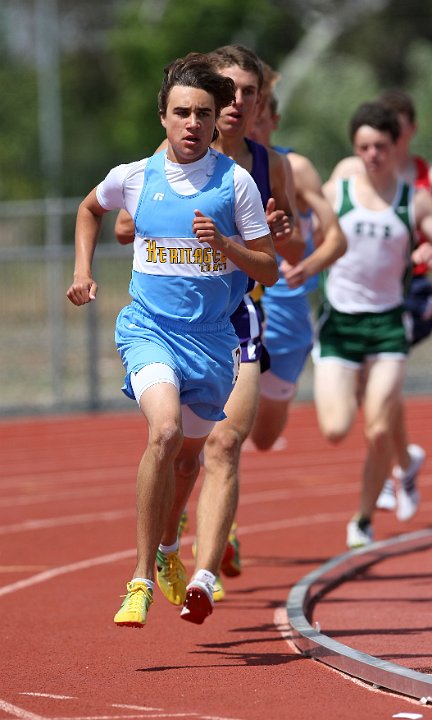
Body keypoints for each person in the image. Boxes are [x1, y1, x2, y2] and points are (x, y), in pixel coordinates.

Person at [66, 52, 279, 628]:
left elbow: (269, 270)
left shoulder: (235, 184)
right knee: (162, 432)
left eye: (203, 114)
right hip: (149, 330)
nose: (192, 123)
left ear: (216, 122)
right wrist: (83, 271)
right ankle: (137, 579)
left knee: (189, 461)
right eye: (182, 112)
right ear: (163, 116)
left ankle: (166, 552)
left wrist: (229, 247)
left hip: (212, 342)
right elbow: (90, 209)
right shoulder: (135, 176)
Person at [114, 45, 303, 619]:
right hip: (170, 320)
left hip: (237, 315)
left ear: (257, 102)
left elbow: (286, 253)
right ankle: (167, 550)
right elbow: (126, 225)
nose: (237, 102)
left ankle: (204, 565)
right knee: (175, 441)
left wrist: (271, 232)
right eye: (230, 90)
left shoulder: (269, 167)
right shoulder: (170, 151)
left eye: (249, 92)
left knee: (222, 442)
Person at [284, 101, 432, 548]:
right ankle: (404, 463)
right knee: (335, 428)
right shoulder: (337, 191)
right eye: (363, 146)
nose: (372, 155)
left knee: (380, 425)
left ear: (396, 145)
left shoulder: (413, 198)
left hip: (388, 325)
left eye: (380, 146)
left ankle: (363, 517)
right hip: (340, 324)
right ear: (355, 149)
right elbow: (303, 226)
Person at [329, 89, 432, 522]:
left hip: (412, 293)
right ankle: (404, 460)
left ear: (409, 130)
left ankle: (398, 464)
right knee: (365, 391)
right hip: (357, 298)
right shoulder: (352, 170)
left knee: (382, 384)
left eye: (394, 126)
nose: (381, 141)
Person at [247, 63, 346, 451]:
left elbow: (335, 237)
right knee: (222, 431)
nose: (249, 129)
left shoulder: (295, 168)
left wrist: (308, 262)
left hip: (287, 313)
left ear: (274, 121)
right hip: (239, 305)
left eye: (259, 122)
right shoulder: (217, 167)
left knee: (265, 437)